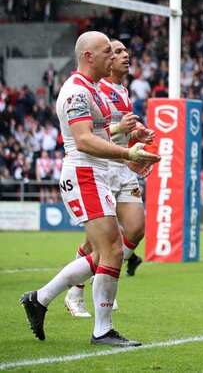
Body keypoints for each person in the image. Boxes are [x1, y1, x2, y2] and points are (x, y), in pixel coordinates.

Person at [20, 31, 160, 346]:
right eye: (108, 52)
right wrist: (127, 153)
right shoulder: (76, 92)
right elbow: (83, 140)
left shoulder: (96, 90)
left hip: (101, 171)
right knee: (109, 250)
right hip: (85, 173)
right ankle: (100, 328)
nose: (114, 57)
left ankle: (41, 299)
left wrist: (132, 152)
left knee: (110, 248)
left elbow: (105, 136)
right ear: (88, 56)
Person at [64, 39, 155, 318]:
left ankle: (103, 276)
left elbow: (119, 129)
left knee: (136, 228)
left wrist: (136, 134)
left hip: (123, 165)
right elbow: (93, 134)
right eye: (117, 52)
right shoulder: (94, 88)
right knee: (99, 241)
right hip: (102, 165)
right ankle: (75, 292)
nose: (125, 56)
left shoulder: (123, 91)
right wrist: (121, 131)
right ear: (106, 60)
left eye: (127, 51)